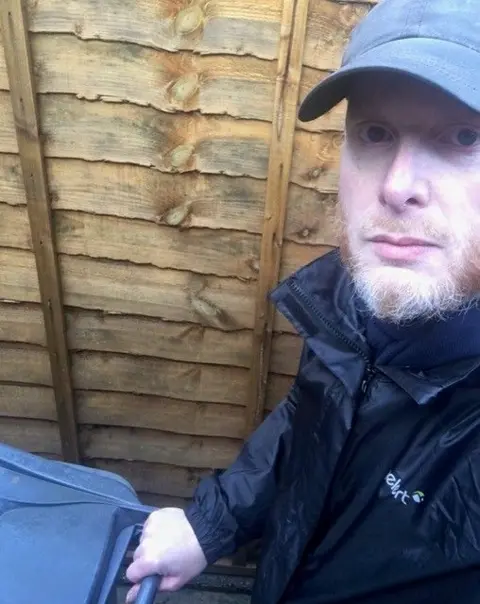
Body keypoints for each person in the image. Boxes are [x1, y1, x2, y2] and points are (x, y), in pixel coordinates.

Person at [125, 0, 480, 602]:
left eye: (464, 136)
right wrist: (210, 525)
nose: (396, 187)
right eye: (374, 132)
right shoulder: (355, 298)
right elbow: (311, 423)